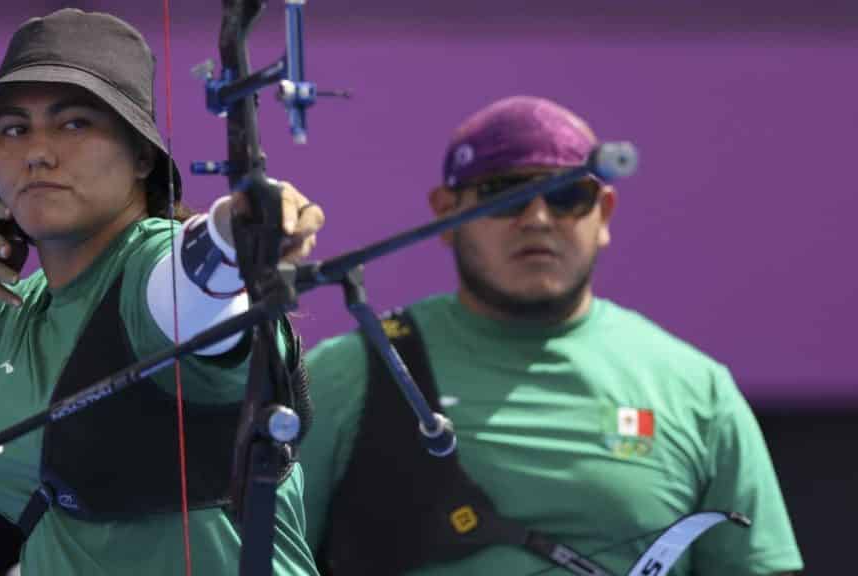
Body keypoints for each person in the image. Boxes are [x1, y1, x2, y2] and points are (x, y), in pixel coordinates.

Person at [299, 95, 803, 575]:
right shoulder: (351, 371)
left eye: (567, 195)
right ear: (447, 213)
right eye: (503, 195)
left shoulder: (698, 389)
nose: (537, 219)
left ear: (603, 214)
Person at [0, 8, 323, 576]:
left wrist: (236, 228)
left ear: (141, 157)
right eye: (15, 128)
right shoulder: (29, 310)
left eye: (74, 123)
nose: (38, 151)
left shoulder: (148, 268)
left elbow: (191, 280)